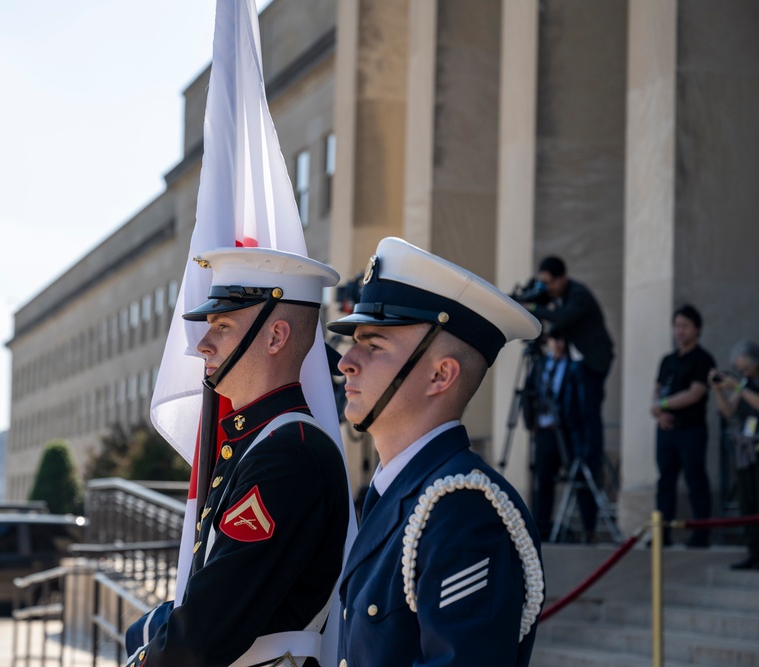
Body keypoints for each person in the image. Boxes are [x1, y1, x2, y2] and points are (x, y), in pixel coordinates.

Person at [124, 248, 351, 667]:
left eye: (223, 326)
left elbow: (203, 636)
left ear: (276, 336)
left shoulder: (289, 452)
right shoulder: (260, 441)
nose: (203, 345)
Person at [330, 237, 544, 666]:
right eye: (354, 342)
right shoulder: (403, 494)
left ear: (440, 376)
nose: (345, 361)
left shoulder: (461, 509)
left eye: (374, 346)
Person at [526, 256, 614, 534]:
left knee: (587, 416)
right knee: (575, 414)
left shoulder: (577, 295)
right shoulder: (561, 297)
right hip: (580, 366)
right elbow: (554, 328)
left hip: (594, 363)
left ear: (562, 278)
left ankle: (589, 456)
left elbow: (562, 320)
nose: (547, 289)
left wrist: (533, 306)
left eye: (549, 283)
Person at [652, 304, 715, 548]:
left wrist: (663, 404)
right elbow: (656, 391)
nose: (680, 331)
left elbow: (695, 393)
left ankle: (701, 534)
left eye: (685, 326)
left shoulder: (703, 358)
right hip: (666, 430)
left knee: (695, 480)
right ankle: (662, 534)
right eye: (677, 326)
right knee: (665, 482)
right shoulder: (667, 360)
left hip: (691, 430)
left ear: (696, 329)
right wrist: (658, 413)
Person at [526, 330, 588, 542]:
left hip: (566, 432)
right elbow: (528, 394)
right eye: (554, 339)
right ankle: (541, 527)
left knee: (576, 477)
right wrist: (530, 422)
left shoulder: (573, 367)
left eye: (561, 339)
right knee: (543, 480)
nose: (557, 344)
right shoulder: (541, 365)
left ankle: (586, 527)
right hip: (544, 431)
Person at [711, 340, 759, 569]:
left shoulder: (747, 385)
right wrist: (719, 390)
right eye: (739, 370)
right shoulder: (745, 383)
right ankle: (753, 552)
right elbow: (728, 411)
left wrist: (739, 386)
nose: (742, 374)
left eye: (746, 370)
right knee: (747, 504)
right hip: (746, 454)